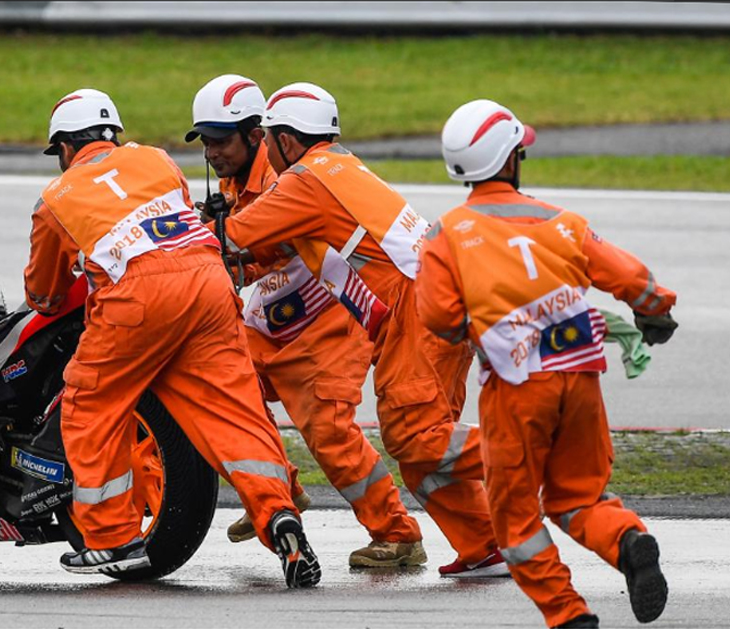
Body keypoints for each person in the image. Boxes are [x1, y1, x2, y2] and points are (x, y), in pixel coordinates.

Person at [24, 88, 320, 587]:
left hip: (137, 299)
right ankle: (279, 515)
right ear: (113, 135)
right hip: (208, 285)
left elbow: (44, 293)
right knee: (233, 412)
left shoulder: (56, 198)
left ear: (66, 148)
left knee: (92, 405)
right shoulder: (156, 159)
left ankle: (112, 538)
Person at [216, 82, 507, 577]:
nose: (265, 149)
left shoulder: (305, 179)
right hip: (429, 302)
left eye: (268, 138)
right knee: (423, 449)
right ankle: (485, 547)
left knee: (415, 435)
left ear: (285, 140)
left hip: (419, 308)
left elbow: (228, 237)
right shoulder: (336, 166)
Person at [416, 99, 675, 628]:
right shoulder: (562, 222)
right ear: (510, 160)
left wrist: (477, 325)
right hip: (580, 375)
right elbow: (632, 278)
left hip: (516, 388)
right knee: (578, 493)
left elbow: (438, 317)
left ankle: (568, 615)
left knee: (515, 519)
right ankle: (626, 539)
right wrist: (655, 312)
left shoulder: (446, 234)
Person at [186, 74, 425, 568]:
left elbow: (254, 243)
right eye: (205, 141)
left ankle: (398, 534)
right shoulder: (235, 178)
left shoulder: (291, 177)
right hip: (274, 315)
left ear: (259, 136)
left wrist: (199, 238)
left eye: (221, 140)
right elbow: (255, 258)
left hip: (330, 316)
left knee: (328, 430)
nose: (211, 152)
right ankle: (276, 489)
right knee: (215, 384)